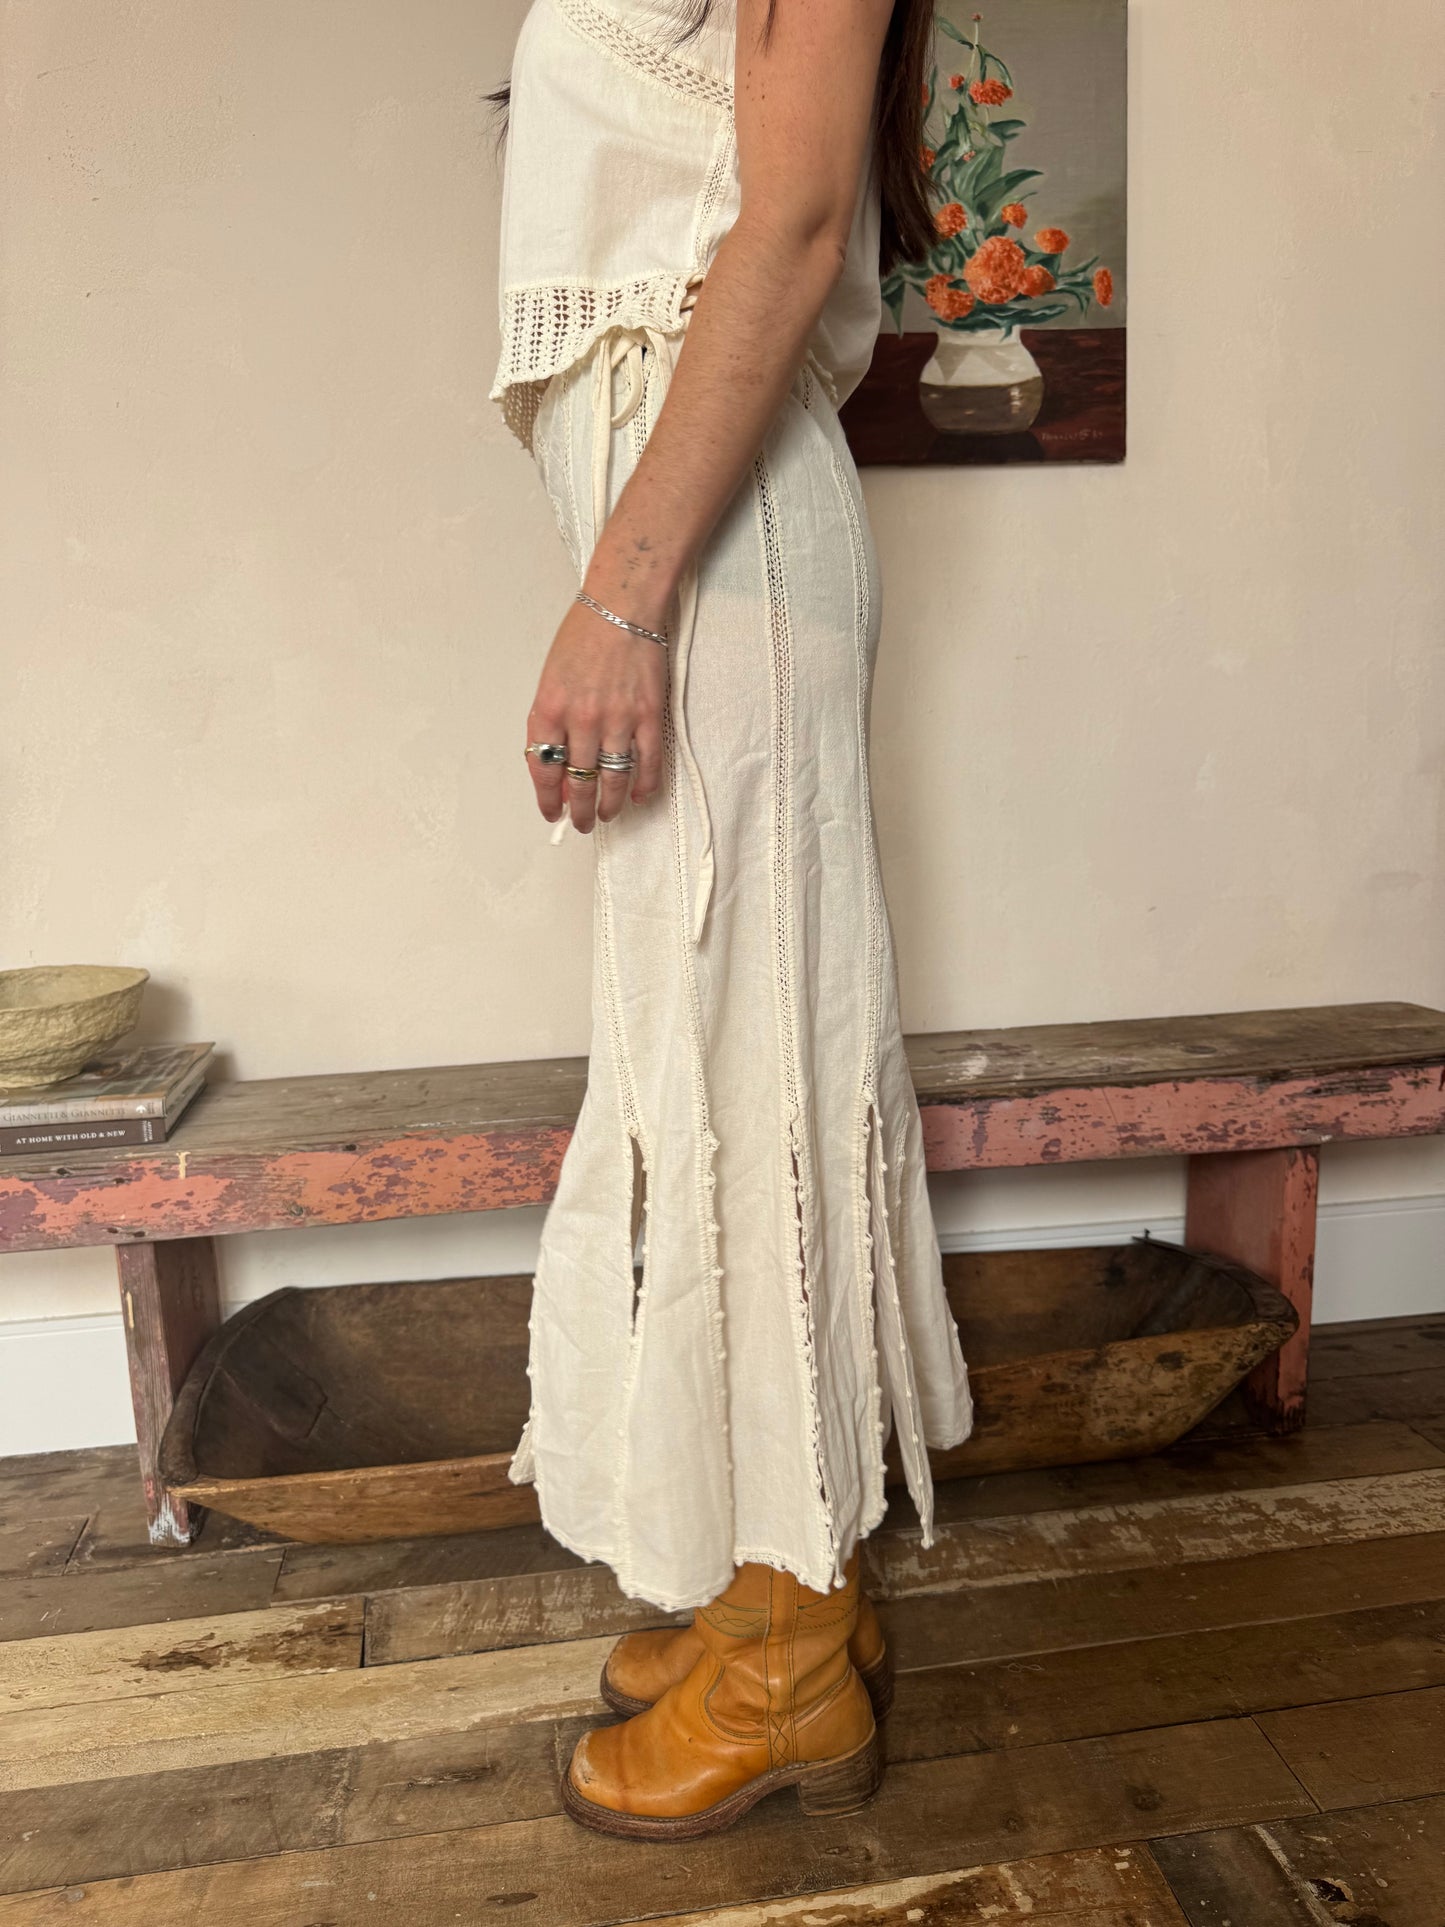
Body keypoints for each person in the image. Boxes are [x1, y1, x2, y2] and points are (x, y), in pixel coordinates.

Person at [486, 0, 974, 1839]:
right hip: (702, 532)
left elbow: (789, 217)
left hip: (715, 556)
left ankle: (790, 1659)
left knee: (753, 1073)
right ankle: (776, 1566)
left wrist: (619, 604)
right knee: (716, 1063)